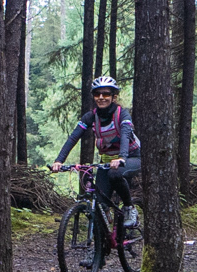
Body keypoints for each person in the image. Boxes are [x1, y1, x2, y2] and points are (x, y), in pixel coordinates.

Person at [48, 76, 141, 260]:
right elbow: (73, 137)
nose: (101, 97)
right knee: (100, 205)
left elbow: (125, 134)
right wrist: (59, 160)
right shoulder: (91, 117)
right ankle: (99, 251)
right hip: (107, 162)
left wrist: (122, 157)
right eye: (97, 94)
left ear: (114, 97)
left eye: (106, 94)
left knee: (116, 174)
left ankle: (130, 207)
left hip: (131, 157)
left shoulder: (122, 114)